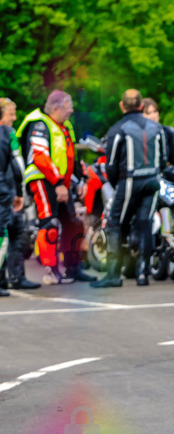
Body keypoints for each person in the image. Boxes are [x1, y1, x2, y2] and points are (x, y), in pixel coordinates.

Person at [16, 90, 94, 284]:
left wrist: (81, 180)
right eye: (69, 106)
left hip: (62, 183)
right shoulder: (40, 124)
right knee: (49, 226)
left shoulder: (64, 126)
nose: (72, 110)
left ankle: (73, 268)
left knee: (74, 223)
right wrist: (58, 183)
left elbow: (71, 157)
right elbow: (40, 156)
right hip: (43, 180)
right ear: (56, 107)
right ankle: (50, 270)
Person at [91, 89, 165, 288]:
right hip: (152, 181)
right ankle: (143, 273)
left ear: (121, 106)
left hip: (130, 180)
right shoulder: (157, 128)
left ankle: (113, 274)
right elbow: (164, 158)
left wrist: (118, 186)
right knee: (145, 223)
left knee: (115, 223)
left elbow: (111, 164)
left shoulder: (118, 129)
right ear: (141, 106)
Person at [0, 98, 28, 295]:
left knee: (14, 232)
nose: (15, 118)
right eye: (11, 113)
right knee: (3, 236)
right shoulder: (8, 134)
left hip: (5, 188)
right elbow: (19, 167)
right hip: (4, 190)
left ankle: (12, 279)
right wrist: (20, 192)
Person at [141, 97, 174, 179]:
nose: (153, 116)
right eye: (148, 113)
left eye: (155, 111)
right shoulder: (136, 136)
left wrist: (171, 173)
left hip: (166, 178)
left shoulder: (168, 132)